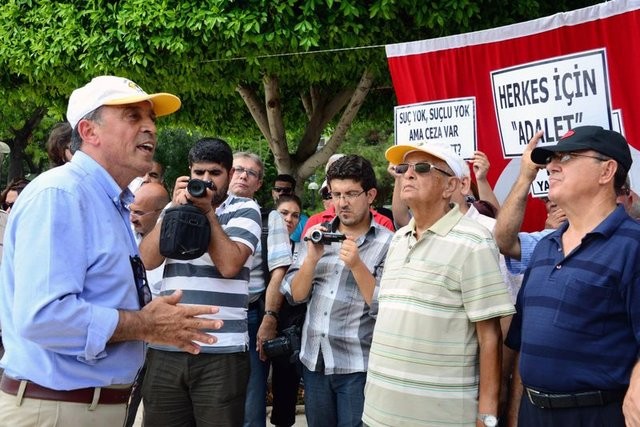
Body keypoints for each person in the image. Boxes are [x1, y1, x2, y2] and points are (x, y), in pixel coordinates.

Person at [0, 75, 223, 427]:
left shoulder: (107, 201)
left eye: (151, 118)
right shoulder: (61, 195)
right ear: (89, 131)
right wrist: (143, 324)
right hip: (57, 410)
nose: (150, 128)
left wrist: (151, 322)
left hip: (87, 408)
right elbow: (43, 317)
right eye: (133, 117)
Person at [362, 141, 514, 427]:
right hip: (379, 414)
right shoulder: (397, 240)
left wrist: (488, 415)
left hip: (441, 417)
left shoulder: (475, 241)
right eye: (404, 168)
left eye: (421, 168)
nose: (407, 174)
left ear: (450, 187)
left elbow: (490, 337)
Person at [504, 126, 640, 426]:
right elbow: (523, 346)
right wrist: (515, 413)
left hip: (597, 415)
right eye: (552, 158)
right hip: (533, 413)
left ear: (607, 171)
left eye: (567, 157)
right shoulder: (544, 248)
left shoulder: (634, 246)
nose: (551, 166)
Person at [139, 137, 261, 426]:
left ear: (229, 175)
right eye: (199, 174)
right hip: (167, 345)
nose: (206, 182)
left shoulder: (245, 209)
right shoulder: (174, 208)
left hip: (222, 351)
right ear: (189, 172)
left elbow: (230, 264)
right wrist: (173, 209)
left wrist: (207, 212)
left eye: (215, 174)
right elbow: (146, 260)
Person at [282, 154, 393, 426]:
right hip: (314, 361)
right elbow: (295, 295)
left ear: (371, 195)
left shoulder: (389, 243)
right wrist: (311, 259)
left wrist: (356, 265)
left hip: (358, 365)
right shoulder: (317, 236)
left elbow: (385, 307)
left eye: (351, 194)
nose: (342, 203)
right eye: (336, 194)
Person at [228, 151, 292, 427]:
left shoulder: (270, 219)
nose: (243, 175)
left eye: (251, 173)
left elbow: (279, 269)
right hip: (211, 316)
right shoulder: (210, 209)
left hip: (251, 316)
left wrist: (270, 317)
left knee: (251, 398)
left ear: (259, 183)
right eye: (237, 169)